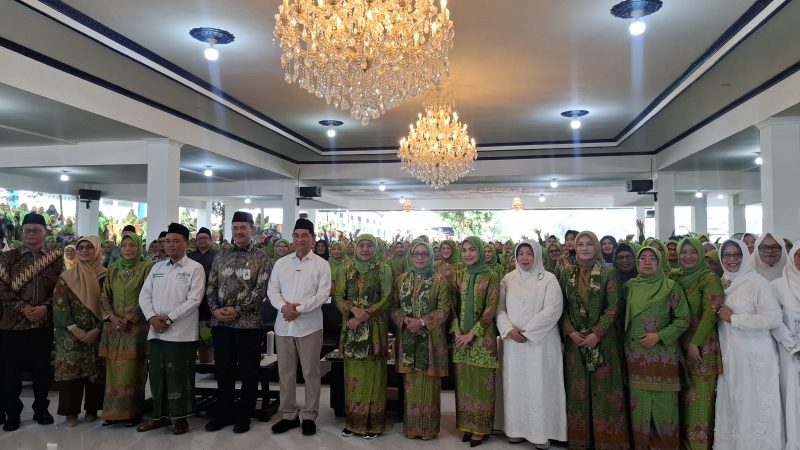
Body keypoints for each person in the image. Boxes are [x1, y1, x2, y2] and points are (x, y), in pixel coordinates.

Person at [561, 231, 631, 450]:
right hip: (576, 342)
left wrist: (597, 333)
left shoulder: (609, 273)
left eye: (589, 244)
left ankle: (607, 441)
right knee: (578, 391)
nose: (583, 248)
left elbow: (614, 307)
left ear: (597, 247)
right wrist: (570, 331)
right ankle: (581, 441)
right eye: (580, 244)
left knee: (605, 390)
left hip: (603, 342)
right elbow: (562, 307)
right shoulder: (567, 273)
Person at [205, 212, 271, 434]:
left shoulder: (262, 257)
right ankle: (223, 413)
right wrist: (215, 309)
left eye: (244, 227)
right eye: (235, 228)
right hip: (221, 324)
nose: (239, 231)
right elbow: (211, 285)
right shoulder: (220, 257)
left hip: (248, 325)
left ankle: (244, 416)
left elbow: (260, 290)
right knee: (223, 371)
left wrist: (237, 310)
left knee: (248, 372)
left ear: (253, 230)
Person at [713, 239, 782, 450]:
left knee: (755, 407)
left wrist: (735, 318)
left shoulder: (756, 282)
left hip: (755, 357)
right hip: (732, 355)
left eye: (736, 255)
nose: (731, 259)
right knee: (733, 405)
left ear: (745, 256)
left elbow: (773, 318)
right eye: (726, 255)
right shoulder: (722, 282)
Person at [137, 223, 205, 435]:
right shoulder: (157, 268)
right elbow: (144, 295)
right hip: (156, 332)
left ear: (187, 243)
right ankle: (161, 416)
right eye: (167, 241)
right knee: (157, 376)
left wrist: (168, 319)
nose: (170, 245)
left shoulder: (195, 268)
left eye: (176, 241)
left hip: (181, 334)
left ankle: (181, 418)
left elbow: (194, 300)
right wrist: (152, 318)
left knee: (180, 376)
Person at [496, 240, 566, 448]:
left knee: (539, 386)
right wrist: (509, 329)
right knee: (515, 386)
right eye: (521, 254)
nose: (525, 258)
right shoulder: (507, 279)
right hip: (513, 344)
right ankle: (515, 429)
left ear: (537, 255)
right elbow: (499, 309)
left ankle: (541, 433)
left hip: (541, 344)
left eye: (529, 253)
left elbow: (553, 309)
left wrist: (528, 332)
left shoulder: (549, 279)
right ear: (515, 257)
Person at [268, 218, 331, 436]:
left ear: (313, 239)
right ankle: (288, 414)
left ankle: (310, 415)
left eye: (305, 235)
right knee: (285, 372)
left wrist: (299, 309)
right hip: (283, 326)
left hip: (310, 327)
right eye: (296, 235)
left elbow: (322, 294)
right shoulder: (281, 263)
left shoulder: (321, 264)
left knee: (311, 372)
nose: (300, 239)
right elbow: (272, 291)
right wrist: (284, 308)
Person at [0, 213, 63, 431]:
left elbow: (60, 290)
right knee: (11, 373)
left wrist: (46, 307)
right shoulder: (8, 258)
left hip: (41, 325)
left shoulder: (56, 259)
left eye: (36, 230)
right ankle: (12, 414)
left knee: (41, 371)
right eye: (27, 230)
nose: (31, 234)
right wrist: (24, 308)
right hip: (11, 326)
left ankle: (41, 410)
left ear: (45, 232)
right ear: (21, 232)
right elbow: (2, 289)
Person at [623, 246, 689, 449]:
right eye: (643, 258)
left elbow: (683, 319)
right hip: (635, 360)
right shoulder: (629, 287)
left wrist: (659, 336)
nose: (648, 262)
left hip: (663, 360)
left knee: (665, 413)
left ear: (660, 263)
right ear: (637, 263)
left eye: (653, 258)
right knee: (639, 413)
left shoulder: (671, 287)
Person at [390, 239, 451, 440]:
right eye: (416, 253)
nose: (420, 257)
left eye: (424, 254)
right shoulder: (401, 280)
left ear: (431, 257)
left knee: (429, 383)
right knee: (411, 384)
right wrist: (407, 321)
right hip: (408, 338)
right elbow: (394, 307)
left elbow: (444, 309)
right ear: (410, 255)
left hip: (431, 339)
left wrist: (423, 322)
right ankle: (412, 427)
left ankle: (428, 429)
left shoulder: (440, 280)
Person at [334, 234, 392, 439]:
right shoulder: (346, 269)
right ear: (356, 248)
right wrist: (352, 309)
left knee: (374, 376)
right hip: (351, 329)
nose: (365, 249)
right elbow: (339, 296)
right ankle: (353, 422)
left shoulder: (383, 268)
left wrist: (363, 315)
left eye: (369, 245)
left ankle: (373, 424)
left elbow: (387, 297)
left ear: (375, 248)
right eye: (362, 245)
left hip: (374, 330)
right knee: (353, 376)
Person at [97, 231, 152, 427]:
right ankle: (112, 413)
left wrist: (129, 318)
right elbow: (104, 296)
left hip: (135, 329)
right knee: (113, 372)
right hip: (113, 328)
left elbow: (148, 295)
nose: (128, 249)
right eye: (125, 245)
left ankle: (132, 413)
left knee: (133, 371)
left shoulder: (147, 267)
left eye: (132, 245)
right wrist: (111, 317)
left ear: (139, 247)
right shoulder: (113, 269)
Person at [52, 236, 107, 428]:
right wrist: (75, 330)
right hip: (70, 335)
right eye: (80, 247)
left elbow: (111, 305)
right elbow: (59, 305)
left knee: (96, 372)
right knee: (71, 374)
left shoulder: (106, 276)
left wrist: (97, 329)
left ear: (97, 250)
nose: (84, 251)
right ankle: (71, 413)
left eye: (89, 247)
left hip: (97, 334)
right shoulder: (66, 277)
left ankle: (92, 410)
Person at [675, 237, 723, 450]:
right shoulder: (675, 277)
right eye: (683, 252)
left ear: (700, 255)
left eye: (693, 252)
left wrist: (695, 343)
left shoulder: (709, 278)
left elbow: (711, 311)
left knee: (700, 402)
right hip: (679, 345)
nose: (688, 256)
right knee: (684, 400)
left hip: (702, 347)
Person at [452, 236, 499, 447]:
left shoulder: (491, 276)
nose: (468, 254)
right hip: (460, 338)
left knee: (482, 385)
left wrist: (472, 334)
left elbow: (491, 308)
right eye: (465, 250)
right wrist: (457, 331)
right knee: (464, 384)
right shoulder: (459, 275)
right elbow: (452, 306)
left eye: (472, 250)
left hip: (482, 340)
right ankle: (467, 426)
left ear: (480, 251)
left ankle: (480, 429)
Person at [770, 242, 800, 449]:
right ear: (792, 257)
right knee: (793, 400)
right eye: (799, 255)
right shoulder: (778, 286)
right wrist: (794, 346)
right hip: (791, 355)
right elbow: (774, 321)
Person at [187, 227, 218, 322]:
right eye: (199, 239)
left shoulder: (218, 255)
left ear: (211, 240)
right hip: (192, 294)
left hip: (213, 295)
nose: (202, 240)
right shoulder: (189, 256)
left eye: (205, 238)